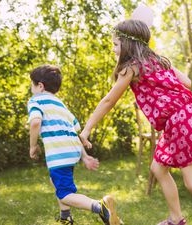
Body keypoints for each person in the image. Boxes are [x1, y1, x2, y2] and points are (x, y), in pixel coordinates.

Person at [79, 19, 192, 225]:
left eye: (116, 44)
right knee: (158, 168)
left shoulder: (131, 68)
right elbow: (187, 82)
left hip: (181, 121)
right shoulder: (160, 61)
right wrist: (160, 64)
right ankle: (176, 218)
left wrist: (87, 129)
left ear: (128, 44)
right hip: (188, 117)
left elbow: (108, 101)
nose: (113, 48)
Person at [27, 65, 121, 225]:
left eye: (32, 84)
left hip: (59, 156)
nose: (31, 88)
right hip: (71, 153)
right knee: (54, 180)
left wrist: (32, 146)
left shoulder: (36, 100)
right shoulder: (61, 105)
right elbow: (75, 132)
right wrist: (84, 156)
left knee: (65, 194)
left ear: (40, 86)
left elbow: (35, 123)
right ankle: (65, 217)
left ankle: (101, 207)